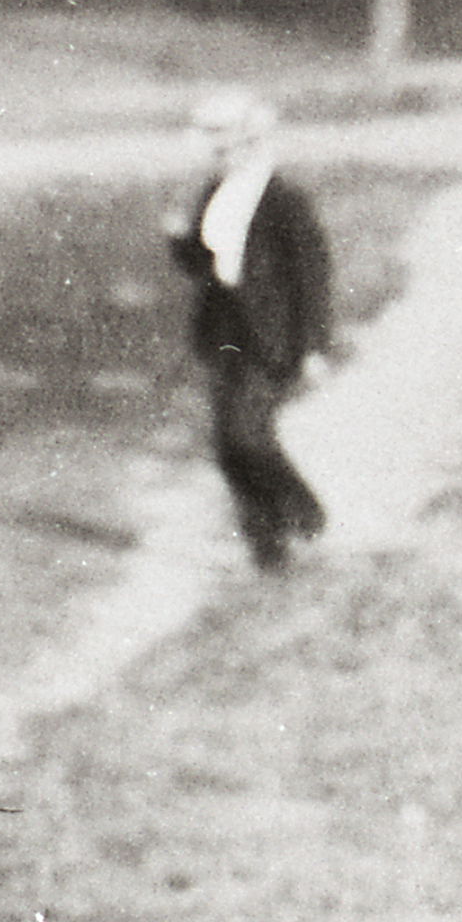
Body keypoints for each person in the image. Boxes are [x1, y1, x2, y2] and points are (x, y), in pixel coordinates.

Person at [167, 87, 335, 570]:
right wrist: (179, 238)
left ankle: (304, 512)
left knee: (246, 434)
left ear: (253, 143)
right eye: (215, 150)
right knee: (227, 443)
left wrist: (315, 346)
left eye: (228, 147)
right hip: (224, 329)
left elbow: (313, 276)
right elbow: (199, 260)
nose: (220, 158)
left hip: (274, 335)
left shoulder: (284, 201)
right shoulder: (213, 194)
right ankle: (268, 549)